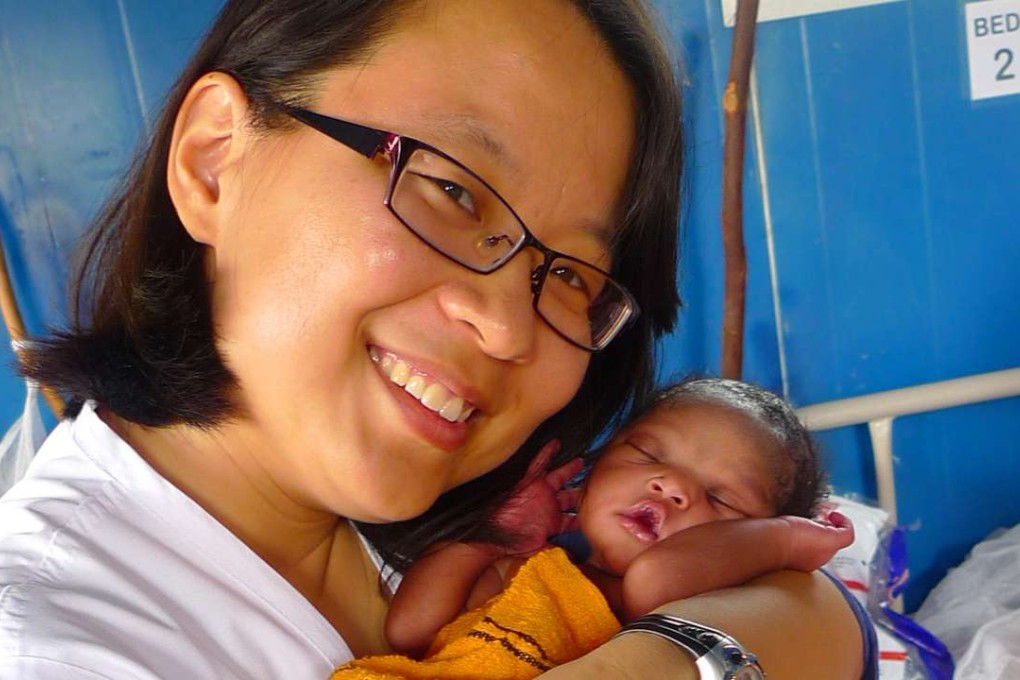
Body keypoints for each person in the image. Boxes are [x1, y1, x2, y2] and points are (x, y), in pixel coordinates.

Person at [0, 1, 871, 678]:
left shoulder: (458, 519)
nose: (504, 326)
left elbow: (830, 616)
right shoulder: (56, 641)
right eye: (452, 190)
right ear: (214, 159)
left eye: (569, 276)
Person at [332, 378, 856, 677]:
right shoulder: (531, 573)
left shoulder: (681, 600)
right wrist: (488, 536)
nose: (671, 486)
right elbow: (411, 630)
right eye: (647, 454)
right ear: (593, 470)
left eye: (720, 498)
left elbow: (658, 577)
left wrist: (786, 539)